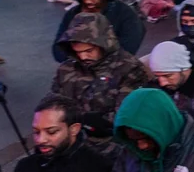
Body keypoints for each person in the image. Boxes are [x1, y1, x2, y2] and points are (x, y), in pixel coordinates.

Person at [49, 12, 151, 141]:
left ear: (104, 44)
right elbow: (53, 104)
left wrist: (83, 121)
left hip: (113, 145)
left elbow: (126, 115)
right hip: (71, 142)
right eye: (77, 52)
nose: (82, 57)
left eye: (89, 51)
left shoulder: (129, 68)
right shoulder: (66, 69)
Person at [51, 0, 146, 62]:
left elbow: (128, 50)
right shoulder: (73, 14)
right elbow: (58, 51)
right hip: (78, 67)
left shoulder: (126, 15)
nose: (88, 1)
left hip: (114, 69)